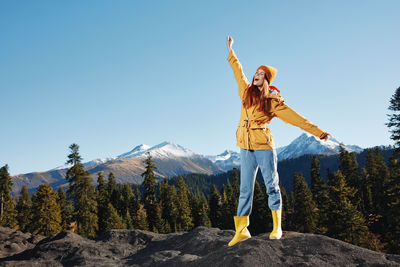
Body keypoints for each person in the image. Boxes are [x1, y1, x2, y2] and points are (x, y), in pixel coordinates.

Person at [226, 36, 330, 246]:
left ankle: (277, 227)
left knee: (271, 186)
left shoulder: (272, 102)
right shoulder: (245, 92)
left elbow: (296, 118)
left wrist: (319, 132)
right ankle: (242, 231)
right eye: (256, 72)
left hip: (264, 147)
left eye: (261, 74)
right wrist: (231, 51)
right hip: (245, 148)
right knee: (245, 190)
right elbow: (238, 71)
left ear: (267, 80)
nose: (256, 75)